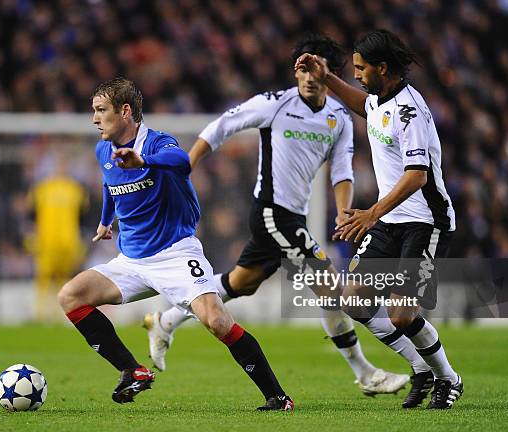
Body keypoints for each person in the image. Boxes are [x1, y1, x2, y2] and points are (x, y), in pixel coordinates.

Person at [143, 33, 409, 397]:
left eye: (317, 68)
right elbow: (220, 127)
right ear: (295, 71)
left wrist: (345, 211)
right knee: (330, 287)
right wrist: (186, 167)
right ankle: (365, 373)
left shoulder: (339, 118)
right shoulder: (274, 104)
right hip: (271, 213)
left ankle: (166, 320)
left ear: (330, 73)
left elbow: (342, 169)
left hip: (293, 218)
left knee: (241, 283)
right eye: (302, 68)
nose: (308, 76)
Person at [57, 77, 293, 411]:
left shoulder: (157, 144)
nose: (94, 118)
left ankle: (279, 397)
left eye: (100, 110)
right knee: (71, 296)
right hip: (131, 262)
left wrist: (143, 162)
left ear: (125, 111)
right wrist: (105, 219)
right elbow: (111, 184)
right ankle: (132, 370)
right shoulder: (102, 148)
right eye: (93, 111)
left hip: (175, 254)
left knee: (216, 321)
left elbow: (182, 163)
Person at [295, 29, 463, 409]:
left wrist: (371, 213)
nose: (356, 74)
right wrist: (327, 77)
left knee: (402, 315)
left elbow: (417, 175)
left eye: (361, 68)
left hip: (425, 222)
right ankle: (422, 369)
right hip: (390, 221)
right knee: (354, 300)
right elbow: (364, 105)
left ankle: (448, 378)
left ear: (383, 68)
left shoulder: (410, 111)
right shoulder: (380, 99)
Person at [27, 157, 88, 322]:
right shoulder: (42, 188)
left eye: (64, 165)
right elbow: (31, 214)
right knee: (44, 278)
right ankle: (40, 315)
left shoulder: (75, 189)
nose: (61, 168)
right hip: (46, 242)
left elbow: (83, 217)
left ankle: (61, 315)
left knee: (64, 278)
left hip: (68, 242)